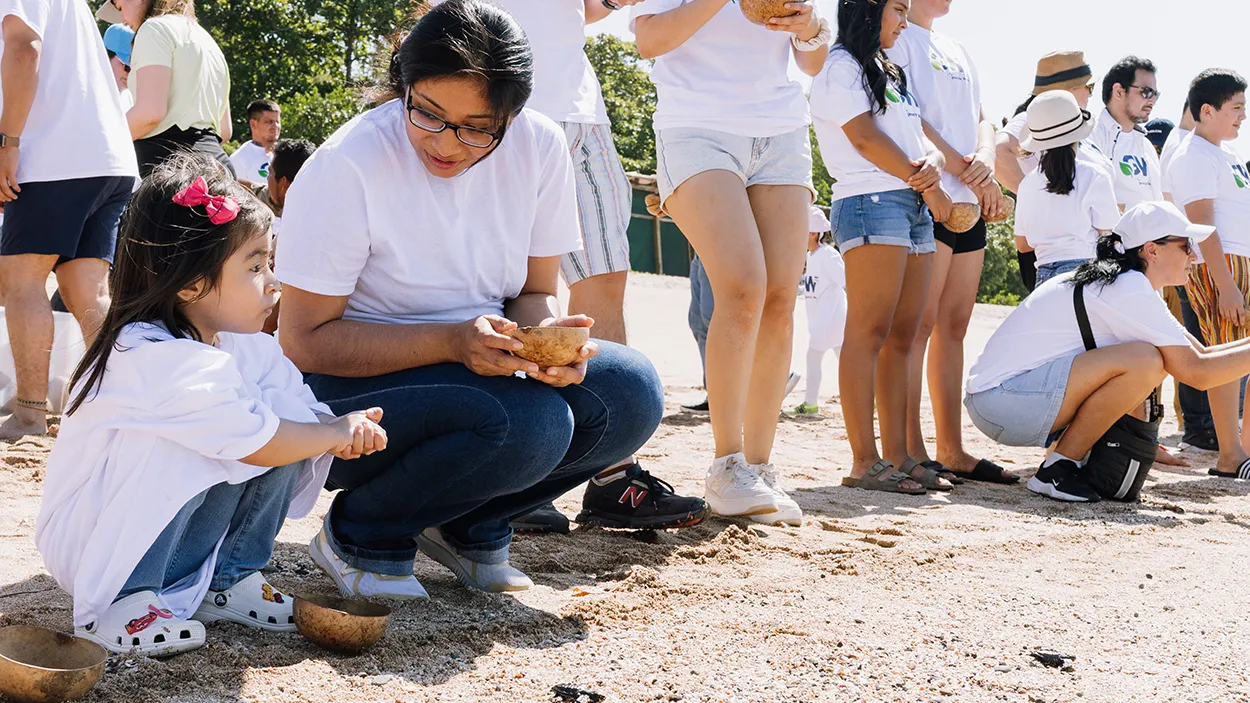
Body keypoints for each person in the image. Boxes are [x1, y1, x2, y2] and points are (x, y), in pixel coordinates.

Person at [276, 1, 671, 599]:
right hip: (348, 393)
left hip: (475, 369)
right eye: (428, 113)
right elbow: (303, 342)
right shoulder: (348, 163)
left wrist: (547, 344)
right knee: (530, 421)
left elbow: (533, 293)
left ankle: (466, 522)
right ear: (404, 84)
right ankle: (364, 532)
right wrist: (454, 343)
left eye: (477, 127)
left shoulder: (539, 145)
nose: (448, 143)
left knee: (630, 391)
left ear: (512, 115)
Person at [35, 154, 388, 656]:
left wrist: (334, 428)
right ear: (191, 283)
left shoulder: (246, 347)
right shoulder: (148, 355)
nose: (274, 282)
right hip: (101, 548)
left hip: (174, 541)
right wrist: (331, 433)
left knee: (288, 419)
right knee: (210, 438)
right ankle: (121, 603)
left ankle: (227, 578)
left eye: (270, 263)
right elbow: (255, 440)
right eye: (255, 267)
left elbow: (296, 418)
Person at [441, 0, 702, 534]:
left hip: (583, 108)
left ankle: (611, 474)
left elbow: (578, 12)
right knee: (509, 285)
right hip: (498, 101)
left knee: (604, 280)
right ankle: (518, 470)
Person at [631, 0, 828, 525]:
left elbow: (812, 61)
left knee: (781, 298)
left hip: (783, 130)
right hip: (696, 127)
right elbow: (648, 40)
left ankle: (759, 467)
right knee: (742, 287)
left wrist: (810, 28)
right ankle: (727, 465)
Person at [965, 202, 1250, 500]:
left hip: (1005, 400)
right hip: (1001, 403)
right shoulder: (1128, 288)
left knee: (1149, 359)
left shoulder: (1131, 284)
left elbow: (1200, 354)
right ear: (1152, 250)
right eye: (1186, 245)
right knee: (1146, 361)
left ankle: (1063, 462)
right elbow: (1197, 372)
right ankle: (1058, 468)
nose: (1194, 255)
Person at [811, 0, 954, 496]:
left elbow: (917, 138)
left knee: (903, 336)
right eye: (898, 9)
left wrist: (934, 165)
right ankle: (863, 461)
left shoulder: (887, 68)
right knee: (868, 332)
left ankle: (898, 456)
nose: (904, 21)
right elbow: (865, 139)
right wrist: (928, 184)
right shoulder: (841, 66)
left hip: (909, 203)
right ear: (869, 9)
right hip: (870, 201)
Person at [888, 0, 1014, 484]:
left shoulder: (956, 47)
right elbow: (907, 115)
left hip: (969, 198)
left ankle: (952, 448)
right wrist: (963, 168)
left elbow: (983, 117)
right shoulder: (898, 37)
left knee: (954, 325)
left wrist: (984, 160)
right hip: (929, 193)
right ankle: (910, 450)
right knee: (918, 325)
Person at [0, 0, 138, 439]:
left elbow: (24, 50)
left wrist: (7, 143)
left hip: (55, 158)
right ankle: (124, 406)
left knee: (22, 282)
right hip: (108, 157)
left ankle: (29, 414)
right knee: (87, 291)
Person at [1167, 69, 1250, 477]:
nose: (1242, 116)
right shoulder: (1192, 155)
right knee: (1226, 358)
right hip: (1219, 266)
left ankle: (1245, 450)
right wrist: (1226, 286)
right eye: (1236, 108)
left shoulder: (1228, 154)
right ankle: (1230, 457)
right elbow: (1204, 226)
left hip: (1242, 261)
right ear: (1207, 110)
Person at [995, 51, 1104, 292]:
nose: (1090, 94)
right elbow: (998, 153)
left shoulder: (1071, 124)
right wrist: (1045, 199)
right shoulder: (1031, 119)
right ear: (1067, 89)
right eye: (1089, 87)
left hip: (1057, 256)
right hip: (1065, 254)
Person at [97, 0, 233, 177]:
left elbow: (150, 113)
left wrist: (99, 144)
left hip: (168, 171)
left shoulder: (153, 28)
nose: (123, 19)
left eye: (120, 7)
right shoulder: (208, 40)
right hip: (218, 168)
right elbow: (225, 130)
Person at [1014, 91, 1120, 286]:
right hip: (1085, 273)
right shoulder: (1095, 175)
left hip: (1044, 277)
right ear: (1077, 136)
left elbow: (1022, 245)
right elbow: (1109, 232)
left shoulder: (1027, 183)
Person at [1089, 56, 1163, 211]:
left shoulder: (1146, 145)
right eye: (1147, 92)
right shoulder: (1091, 136)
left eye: (1156, 95)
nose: (1152, 101)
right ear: (1118, 92)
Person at [794, 206, 845, 415]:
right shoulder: (811, 256)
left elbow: (844, 281)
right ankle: (871, 398)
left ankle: (810, 404)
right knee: (844, 360)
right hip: (820, 319)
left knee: (814, 356)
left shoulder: (828, 255)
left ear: (814, 233)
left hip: (831, 317)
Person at [230, 99, 281, 187]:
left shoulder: (285, 154)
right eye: (269, 122)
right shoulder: (239, 159)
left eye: (277, 122)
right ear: (253, 124)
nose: (275, 126)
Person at [103, 23, 135, 111]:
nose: (130, 73)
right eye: (126, 67)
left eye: (134, 68)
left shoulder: (129, 97)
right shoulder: (89, 93)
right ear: (106, 57)